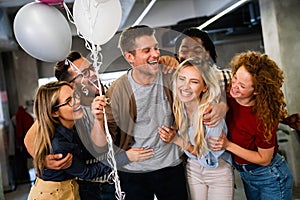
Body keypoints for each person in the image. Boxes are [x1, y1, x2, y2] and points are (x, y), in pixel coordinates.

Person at [24, 51, 153, 200]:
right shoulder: (69, 111)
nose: (93, 73)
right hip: (91, 187)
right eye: (85, 72)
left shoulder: (108, 92)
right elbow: (30, 140)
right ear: (70, 85)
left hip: (120, 178)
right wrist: (45, 160)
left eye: (92, 68)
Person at [102, 25, 188, 200]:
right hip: (135, 172)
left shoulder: (169, 75)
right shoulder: (118, 90)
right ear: (130, 57)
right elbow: (107, 134)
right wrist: (124, 158)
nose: (155, 54)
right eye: (146, 50)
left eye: (156, 48)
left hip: (170, 166)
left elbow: (197, 91)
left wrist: (176, 63)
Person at [211, 51, 293, 200]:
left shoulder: (263, 117)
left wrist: (227, 145)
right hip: (246, 174)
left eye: (242, 86)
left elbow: (264, 158)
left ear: (256, 91)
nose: (234, 86)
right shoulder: (229, 95)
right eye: (235, 78)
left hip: (269, 176)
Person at [158, 57, 233, 200]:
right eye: (182, 79)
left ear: (205, 87)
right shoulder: (179, 109)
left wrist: (177, 140)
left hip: (217, 171)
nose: (185, 86)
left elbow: (209, 158)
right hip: (193, 168)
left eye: (194, 81)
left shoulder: (211, 114)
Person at [28, 81, 111, 200]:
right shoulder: (59, 145)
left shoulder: (73, 127)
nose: (77, 102)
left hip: (68, 190)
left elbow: (88, 152)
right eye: (69, 101)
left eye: (75, 96)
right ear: (54, 112)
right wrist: (124, 157)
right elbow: (88, 172)